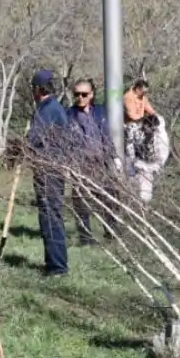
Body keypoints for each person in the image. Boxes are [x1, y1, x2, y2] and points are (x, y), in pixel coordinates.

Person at [28, 69, 71, 276]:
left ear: (38, 89)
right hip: (49, 169)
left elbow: (34, 139)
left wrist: (18, 149)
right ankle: (53, 263)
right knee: (50, 216)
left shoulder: (48, 110)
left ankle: (57, 266)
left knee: (50, 217)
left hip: (49, 171)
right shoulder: (50, 107)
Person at [67, 78, 116, 244]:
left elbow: (109, 135)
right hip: (81, 165)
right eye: (77, 94)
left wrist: (113, 157)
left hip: (103, 163)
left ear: (92, 94)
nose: (80, 97)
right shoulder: (69, 115)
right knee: (81, 202)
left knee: (108, 199)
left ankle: (112, 234)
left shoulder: (101, 112)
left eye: (84, 94)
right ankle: (86, 238)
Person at [127, 112, 170, 203]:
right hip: (135, 162)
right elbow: (130, 145)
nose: (144, 129)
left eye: (146, 127)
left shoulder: (161, 139)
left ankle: (143, 204)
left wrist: (144, 167)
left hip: (149, 167)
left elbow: (160, 161)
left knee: (145, 190)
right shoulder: (139, 129)